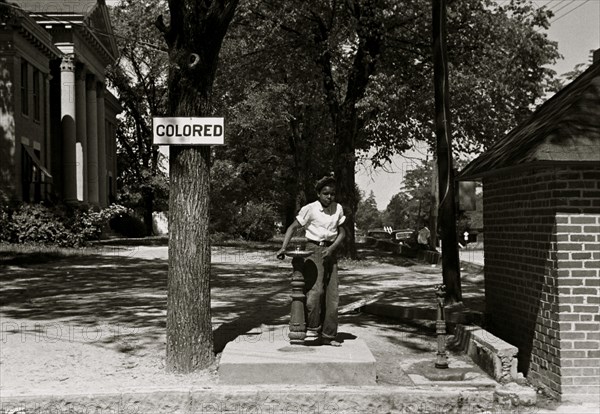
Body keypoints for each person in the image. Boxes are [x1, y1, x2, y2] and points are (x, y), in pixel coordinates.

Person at [276, 176, 346, 346]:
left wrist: (332, 248)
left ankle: (328, 336)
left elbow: (342, 232)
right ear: (318, 194)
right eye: (325, 193)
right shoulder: (310, 209)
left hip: (331, 250)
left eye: (332, 194)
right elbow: (293, 227)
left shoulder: (338, 209)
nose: (329, 197)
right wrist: (283, 247)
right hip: (313, 250)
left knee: (332, 296)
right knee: (315, 293)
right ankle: (311, 327)